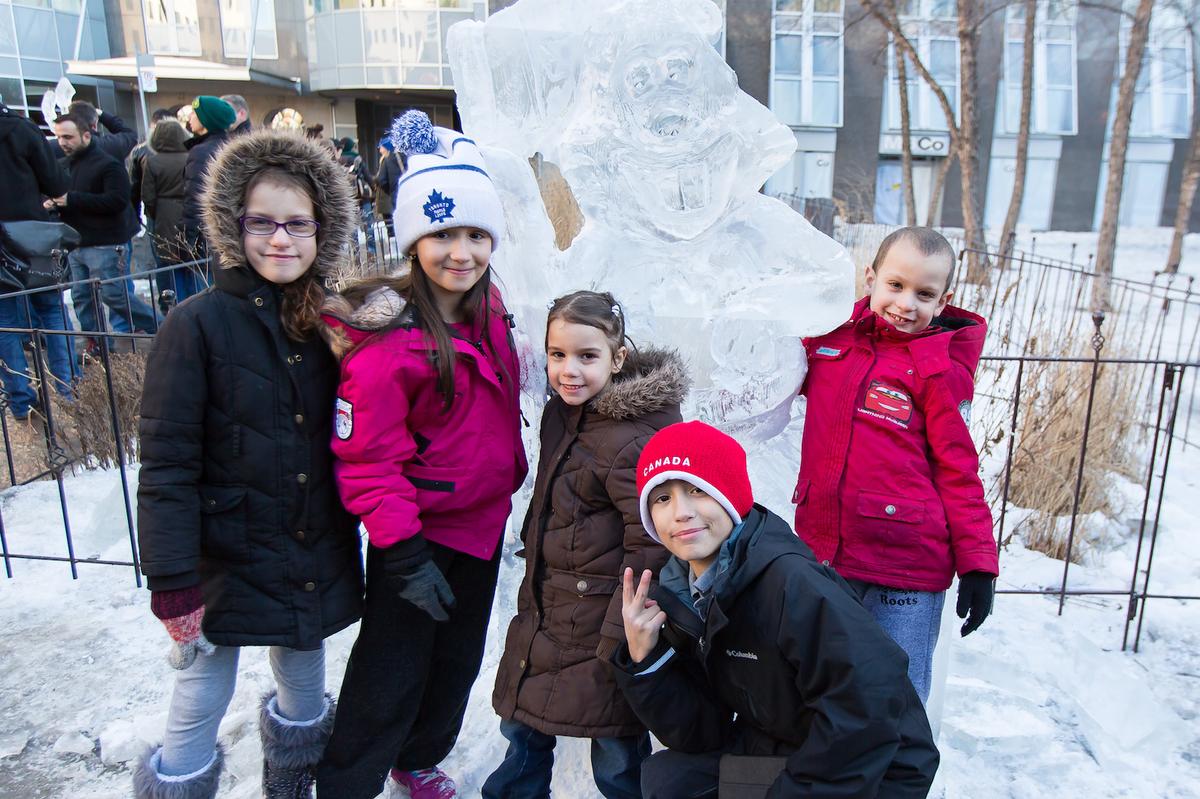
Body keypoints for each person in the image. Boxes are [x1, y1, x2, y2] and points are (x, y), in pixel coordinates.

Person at [132, 130, 365, 799]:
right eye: (262, 223)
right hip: (224, 552)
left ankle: (292, 783)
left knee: (303, 670)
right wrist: (173, 581)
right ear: (236, 228)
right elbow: (167, 465)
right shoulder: (196, 326)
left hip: (309, 542)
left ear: (322, 230)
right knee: (203, 686)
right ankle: (179, 786)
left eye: (298, 224)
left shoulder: (329, 326)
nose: (280, 239)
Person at [315, 109, 527, 799]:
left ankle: (418, 756)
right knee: (391, 669)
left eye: (476, 235)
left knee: (456, 662)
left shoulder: (491, 312)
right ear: (414, 240)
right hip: (419, 537)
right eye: (442, 233)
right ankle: (346, 782)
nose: (461, 252)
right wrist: (403, 554)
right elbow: (368, 460)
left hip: (482, 526)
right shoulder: (390, 342)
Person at [611, 421, 940, 799]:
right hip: (791, 743)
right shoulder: (685, 593)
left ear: (730, 497)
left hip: (877, 769)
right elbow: (702, 733)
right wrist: (646, 659)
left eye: (697, 490)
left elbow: (866, 711)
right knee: (669, 780)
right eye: (662, 498)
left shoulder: (792, 582)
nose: (680, 512)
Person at [483, 291, 687, 799]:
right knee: (522, 724)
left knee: (614, 743)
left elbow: (651, 545)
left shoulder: (631, 439)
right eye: (557, 354)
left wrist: (621, 636)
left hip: (603, 621)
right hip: (550, 607)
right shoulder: (563, 413)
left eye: (587, 356)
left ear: (617, 358)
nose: (569, 370)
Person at [794, 226, 998, 705]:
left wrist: (978, 564)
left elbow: (959, 470)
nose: (906, 304)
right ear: (871, 278)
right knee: (823, 691)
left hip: (907, 568)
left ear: (943, 302)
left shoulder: (939, 370)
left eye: (924, 294)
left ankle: (897, 758)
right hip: (829, 553)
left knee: (894, 699)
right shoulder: (829, 341)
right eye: (895, 285)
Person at [47, 112, 158, 340]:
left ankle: (163, 327)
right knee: (82, 297)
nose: (62, 142)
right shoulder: (64, 165)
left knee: (115, 296)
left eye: (68, 137)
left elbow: (117, 201)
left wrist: (72, 200)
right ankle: (96, 343)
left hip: (105, 244)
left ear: (86, 135)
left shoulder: (108, 164)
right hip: (77, 243)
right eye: (58, 137)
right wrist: (53, 203)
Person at [0, 99, 74, 422]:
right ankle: (67, 390)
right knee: (52, 311)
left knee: (5, 323)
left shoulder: (23, 130)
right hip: (33, 236)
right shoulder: (24, 130)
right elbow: (57, 184)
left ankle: (22, 401)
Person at [177, 96, 236, 300]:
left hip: (207, 238)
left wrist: (189, 242)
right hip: (228, 235)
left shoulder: (202, 152)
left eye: (194, 114)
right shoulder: (231, 145)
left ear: (206, 121)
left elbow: (196, 201)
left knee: (206, 293)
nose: (190, 118)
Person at [141, 119, 190, 301]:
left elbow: (148, 196)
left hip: (164, 215)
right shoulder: (191, 157)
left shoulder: (153, 161)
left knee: (169, 263)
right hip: (189, 210)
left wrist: (155, 215)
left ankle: (176, 303)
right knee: (193, 261)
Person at [47, 100, 138, 162]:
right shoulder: (110, 145)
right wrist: (102, 114)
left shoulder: (50, 147)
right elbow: (131, 135)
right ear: (94, 125)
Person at [374, 136, 405, 241]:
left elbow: (381, 179)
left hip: (389, 197)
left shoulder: (387, 160)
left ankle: (395, 246)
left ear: (387, 147)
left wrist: (388, 190)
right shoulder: (404, 157)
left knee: (391, 227)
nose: (379, 149)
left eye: (381, 147)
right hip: (404, 194)